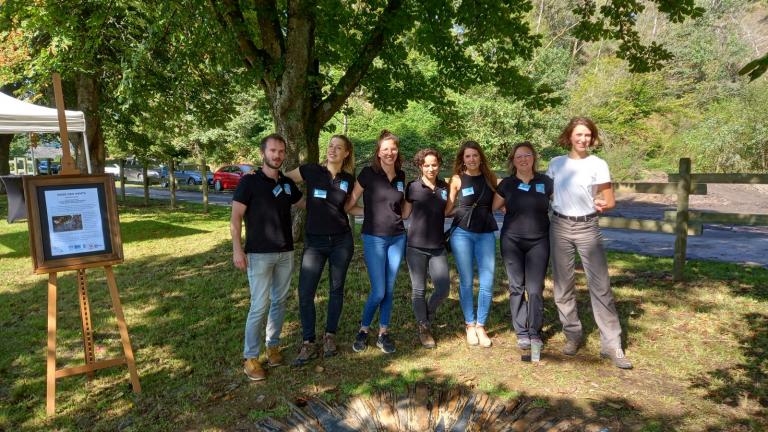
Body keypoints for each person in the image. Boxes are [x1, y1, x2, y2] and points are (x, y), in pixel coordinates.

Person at [546, 117, 632, 369]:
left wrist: (603, 204)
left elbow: (610, 200)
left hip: (587, 227)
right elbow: (549, 193)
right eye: (579, 134)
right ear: (569, 136)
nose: (583, 139)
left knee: (601, 286)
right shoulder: (556, 163)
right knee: (563, 286)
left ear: (592, 138)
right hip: (560, 226)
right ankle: (572, 335)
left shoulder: (598, 164)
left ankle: (612, 344)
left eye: (587, 135)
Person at [231, 133, 303, 381]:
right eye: (273, 151)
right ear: (264, 152)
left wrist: (328, 193)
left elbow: (304, 203)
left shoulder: (286, 182)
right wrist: (237, 249)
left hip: (285, 252)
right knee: (259, 305)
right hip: (259, 254)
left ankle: (272, 346)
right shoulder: (249, 182)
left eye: (281, 151)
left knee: (279, 301)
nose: (277, 155)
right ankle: (250, 357)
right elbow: (235, 218)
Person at [285, 135, 356, 366]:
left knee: (336, 289)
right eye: (331, 146)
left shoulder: (348, 179)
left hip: (341, 241)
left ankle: (329, 337)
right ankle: (308, 341)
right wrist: (301, 202)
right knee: (306, 292)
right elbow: (283, 180)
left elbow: (347, 207)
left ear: (346, 153)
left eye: (339, 148)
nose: (333, 150)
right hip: (315, 242)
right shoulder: (311, 170)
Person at [345, 130, 406, 354]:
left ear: (397, 151)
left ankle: (383, 333)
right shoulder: (368, 173)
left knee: (389, 289)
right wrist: (367, 212)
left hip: (398, 237)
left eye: (393, 149)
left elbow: (403, 207)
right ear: (378, 153)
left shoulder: (400, 176)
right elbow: (349, 204)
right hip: (374, 238)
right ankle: (363, 329)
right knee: (379, 291)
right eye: (385, 149)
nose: (390, 153)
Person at [493, 142, 553, 355]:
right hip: (512, 242)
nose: (523, 159)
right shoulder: (507, 184)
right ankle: (521, 331)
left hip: (539, 241)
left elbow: (561, 203)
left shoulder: (545, 182)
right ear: (513, 160)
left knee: (535, 289)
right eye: (519, 156)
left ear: (534, 158)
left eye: (527, 155)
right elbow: (493, 205)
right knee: (516, 286)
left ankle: (534, 330)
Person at [445, 141, 498, 348]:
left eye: (475, 155)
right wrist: (460, 211)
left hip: (485, 234)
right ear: (462, 159)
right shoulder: (457, 179)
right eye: (468, 156)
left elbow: (496, 203)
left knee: (487, 281)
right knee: (466, 280)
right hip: (462, 234)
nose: (472, 159)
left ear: (480, 157)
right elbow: (448, 208)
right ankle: (469, 324)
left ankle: (481, 325)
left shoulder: (490, 177)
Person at [401, 149, 450, 348]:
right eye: (426, 165)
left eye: (434, 164)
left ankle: (425, 315)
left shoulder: (443, 187)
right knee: (418, 290)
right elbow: (404, 213)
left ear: (439, 165)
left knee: (443, 288)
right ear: (420, 166)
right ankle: (423, 327)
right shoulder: (412, 187)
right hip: (415, 246)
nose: (431, 168)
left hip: (438, 246)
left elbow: (447, 211)